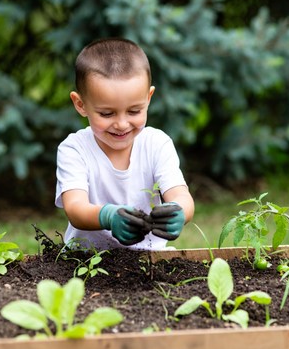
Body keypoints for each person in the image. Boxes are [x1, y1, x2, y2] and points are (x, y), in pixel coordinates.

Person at [55, 37, 194, 250]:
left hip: (149, 260)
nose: (121, 124)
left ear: (148, 98)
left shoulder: (157, 144)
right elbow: (75, 208)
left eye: (134, 111)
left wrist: (179, 211)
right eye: (107, 113)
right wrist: (108, 216)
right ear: (80, 104)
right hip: (85, 260)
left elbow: (180, 195)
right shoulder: (74, 149)